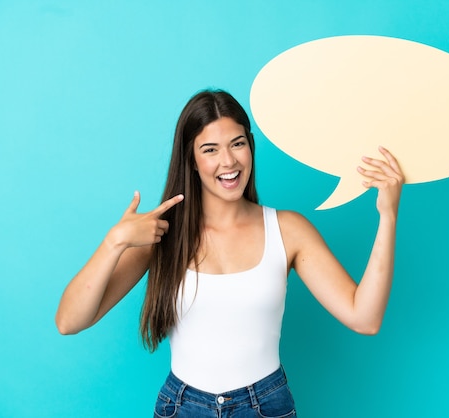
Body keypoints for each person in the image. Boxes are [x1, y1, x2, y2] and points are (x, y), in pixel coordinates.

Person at [55, 89, 404, 418]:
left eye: (237, 144)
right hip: (182, 406)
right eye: (209, 149)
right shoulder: (162, 233)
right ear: (190, 159)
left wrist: (388, 216)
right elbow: (69, 321)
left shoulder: (288, 230)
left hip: (266, 405)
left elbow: (365, 318)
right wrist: (114, 242)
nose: (228, 161)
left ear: (250, 147)